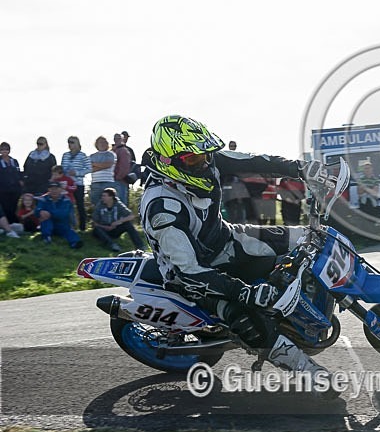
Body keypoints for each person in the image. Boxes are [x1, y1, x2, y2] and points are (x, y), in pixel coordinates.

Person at [139, 115, 336, 382]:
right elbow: (189, 271)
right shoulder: (162, 208)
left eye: (207, 155)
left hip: (227, 238)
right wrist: (245, 293)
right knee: (247, 319)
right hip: (194, 274)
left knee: (313, 238)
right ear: (168, 161)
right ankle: (309, 374)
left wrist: (301, 169)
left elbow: (255, 161)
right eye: (195, 159)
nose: (206, 162)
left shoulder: (205, 161)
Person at [92, 187, 145, 252]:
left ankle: (140, 246)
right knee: (96, 230)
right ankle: (112, 245)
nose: (102, 198)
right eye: (102, 196)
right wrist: (106, 227)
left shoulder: (118, 204)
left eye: (104, 196)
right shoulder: (99, 205)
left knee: (128, 224)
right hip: (103, 229)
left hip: (115, 228)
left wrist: (118, 222)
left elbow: (131, 216)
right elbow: (94, 222)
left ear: (111, 197)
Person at [35, 181, 82, 248]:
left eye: (56, 188)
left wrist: (49, 213)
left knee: (68, 230)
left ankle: (75, 243)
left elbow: (63, 214)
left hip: (62, 224)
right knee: (45, 220)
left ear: (61, 189)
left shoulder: (66, 200)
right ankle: (46, 238)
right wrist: (40, 211)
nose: (54, 191)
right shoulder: (43, 199)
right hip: (48, 223)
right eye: (52, 189)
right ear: (48, 190)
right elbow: (36, 211)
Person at [61, 136, 91, 230]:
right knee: (65, 205)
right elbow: (61, 168)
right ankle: (67, 226)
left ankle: (82, 228)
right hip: (66, 185)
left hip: (78, 184)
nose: (70, 144)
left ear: (77, 143)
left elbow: (89, 168)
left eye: (72, 142)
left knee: (80, 205)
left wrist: (77, 173)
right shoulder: (65, 155)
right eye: (69, 142)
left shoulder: (83, 155)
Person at [0, 142, 23, 224]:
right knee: (5, 207)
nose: (4, 151)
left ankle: (14, 223)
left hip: (15, 189)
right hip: (3, 190)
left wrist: (21, 182)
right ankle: (6, 224)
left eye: (6, 149)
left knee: (14, 207)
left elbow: (18, 173)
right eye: (2, 149)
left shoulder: (14, 161)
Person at [90, 136, 116, 207]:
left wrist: (94, 164)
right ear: (96, 144)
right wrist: (103, 165)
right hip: (95, 182)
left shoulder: (111, 154)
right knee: (96, 204)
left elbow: (108, 165)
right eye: (100, 142)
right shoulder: (92, 156)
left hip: (108, 182)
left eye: (104, 142)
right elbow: (90, 169)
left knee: (109, 204)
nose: (102, 144)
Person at [111, 133, 133, 205]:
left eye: (118, 138)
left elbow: (124, 167)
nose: (116, 140)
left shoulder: (124, 150)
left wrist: (117, 177)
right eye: (115, 138)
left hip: (120, 181)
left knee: (121, 205)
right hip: (113, 181)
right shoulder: (112, 150)